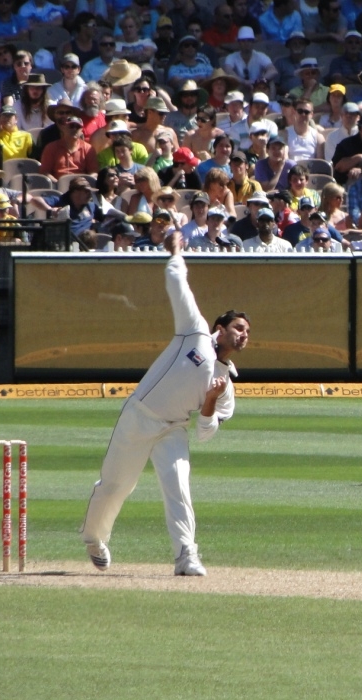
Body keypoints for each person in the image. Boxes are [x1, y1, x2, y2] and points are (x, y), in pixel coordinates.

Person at [79, 232, 250, 576]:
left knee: (179, 489)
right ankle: (95, 539)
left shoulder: (226, 386)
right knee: (116, 486)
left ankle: (187, 557)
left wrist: (211, 401)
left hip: (172, 430)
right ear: (221, 328)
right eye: (239, 327)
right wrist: (174, 251)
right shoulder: (196, 331)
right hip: (139, 416)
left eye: (248, 332)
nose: (244, 334)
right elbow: (177, 282)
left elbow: (205, 433)